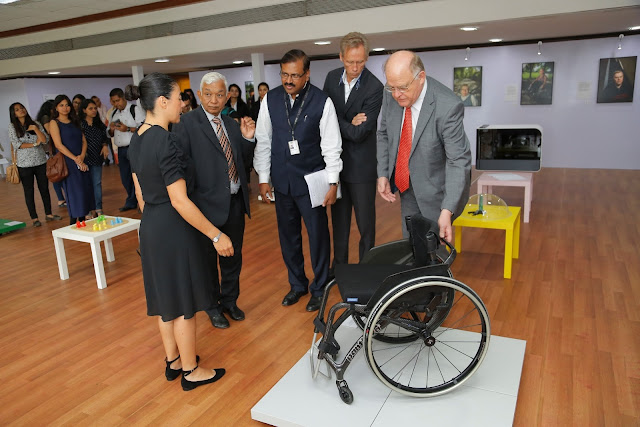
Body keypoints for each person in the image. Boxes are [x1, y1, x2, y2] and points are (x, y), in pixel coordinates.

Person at [128, 72, 226, 391]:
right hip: (172, 226)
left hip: (152, 226)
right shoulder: (164, 139)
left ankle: (172, 361)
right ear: (162, 102)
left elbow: (140, 194)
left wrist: (155, 221)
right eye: (178, 97)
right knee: (184, 303)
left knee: (165, 299)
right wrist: (215, 234)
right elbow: (181, 201)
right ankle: (191, 371)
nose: (183, 104)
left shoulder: (137, 137)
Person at [254, 49, 342, 312]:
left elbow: (331, 146)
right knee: (288, 236)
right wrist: (263, 177)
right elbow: (264, 141)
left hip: (311, 181)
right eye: (284, 74)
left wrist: (333, 182)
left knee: (317, 236)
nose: (288, 80)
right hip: (282, 181)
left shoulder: (322, 101)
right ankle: (297, 284)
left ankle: (320, 286)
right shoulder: (270, 99)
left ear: (307, 75)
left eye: (295, 75)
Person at [173, 72, 256, 329]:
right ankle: (211, 306)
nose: (214, 100)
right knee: (207, 261)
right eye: (208, 94)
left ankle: (230, 301)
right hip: (204, 207)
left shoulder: (231, 123)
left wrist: (248, 139)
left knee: (233, 257)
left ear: (227, 95)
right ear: (199, 95)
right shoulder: (185, 124)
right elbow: (182, 166)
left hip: (234, 202)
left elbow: (243, 163)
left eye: (220, 94)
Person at [377, 50, 471, 242]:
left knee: (434, 250)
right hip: (406, 184)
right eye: (391, 87)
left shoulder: (448, 106)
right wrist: (383, 173)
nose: (396, 95)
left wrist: (447, 209)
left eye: (402, 88)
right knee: (410, 244)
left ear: (420, 77)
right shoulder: (392, 93)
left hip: (436, 190)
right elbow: (384, 134)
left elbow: (458, 160)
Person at [323, 32, 383, 272]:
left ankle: (366, 271)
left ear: (366, 57)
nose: (355, 67)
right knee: (339, 224)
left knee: (366, 225)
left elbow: (360, 134)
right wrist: (347, 121)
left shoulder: (375, 87)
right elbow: (324, 120)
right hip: (335, 165)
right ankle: (338, 270)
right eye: (350, 62)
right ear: (341, 57)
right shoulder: (330, 78)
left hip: (362, 168)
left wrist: (336, 122)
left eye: (360, 61)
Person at [8, 102, 61, 226]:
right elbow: (17, 145)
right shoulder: (12, 126)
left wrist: (36, 129)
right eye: (17, 110)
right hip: (24, 164)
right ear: (13, 114)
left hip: (41, 161)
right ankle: (34, 218)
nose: (21, 110)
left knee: (44, 189)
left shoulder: (35, 123)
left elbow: (45, 140)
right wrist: (34, 144)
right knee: (29, 191)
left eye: (22, 108)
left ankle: (49, 214)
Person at [49, 95, 96, 224]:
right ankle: (74, 220)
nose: (65, 108)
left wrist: (81, 157)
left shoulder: (75, 121)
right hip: (68, 161)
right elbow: (58, 145)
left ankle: (84, 217)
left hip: (80, 158)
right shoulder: (54, 123)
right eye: (61, 105)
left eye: (67, 105)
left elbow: (84, 141)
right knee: (74, 189)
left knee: (85, 187)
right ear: (56, 108)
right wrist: (75, 159)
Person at [108, 87, 145, 212]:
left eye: (117, 100)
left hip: (134, 147)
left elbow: (143, 128)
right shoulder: (114, 113)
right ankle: (131, 200)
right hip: (121, 149)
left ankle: (142, 201)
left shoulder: (134, 109)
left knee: (138, 176)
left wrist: (127, 129)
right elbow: (109, 134)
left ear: (123, 98)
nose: (115, 104)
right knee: (125, 177)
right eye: (113, 102)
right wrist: (112, 129)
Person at [79, 98, 110, 217]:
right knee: (86, 184)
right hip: (84, 158)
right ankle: (88, 210)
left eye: (95, 108)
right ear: (84, 110)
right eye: (90, 108)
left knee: (97, 183)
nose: (93, 111)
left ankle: (98, 208)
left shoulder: (99, 124)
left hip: (97, 157)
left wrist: (105, 145)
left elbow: (104, 137)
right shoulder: (80, 124)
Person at [36, 100, 66, 208]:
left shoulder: (47, 118)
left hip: (51, 149)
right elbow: (50, 132)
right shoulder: (46, 118)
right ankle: (61, 199)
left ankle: (62, 198)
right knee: (57, 172)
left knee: (57, 172)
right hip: (53, 149)